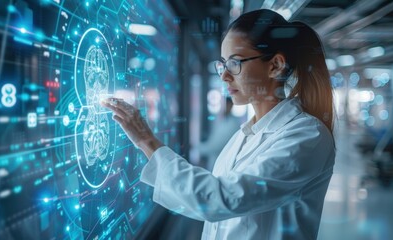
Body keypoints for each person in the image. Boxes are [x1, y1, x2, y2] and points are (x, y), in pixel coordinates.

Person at [101, 9, 335, 240]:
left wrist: (147, 141)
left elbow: (220, 199)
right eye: (222, 64)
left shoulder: (307, 136)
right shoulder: (246, 134)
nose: (224, 76)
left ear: (275, 65)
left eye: (235, 64)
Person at [197, 97, 240, 170]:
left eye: (225, 105)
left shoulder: (232, 124)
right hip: (215, 163)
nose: (222, 108)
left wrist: (195, 147)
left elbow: (215, 147)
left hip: (221, 165)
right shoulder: (224, 121)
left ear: (230, 106)